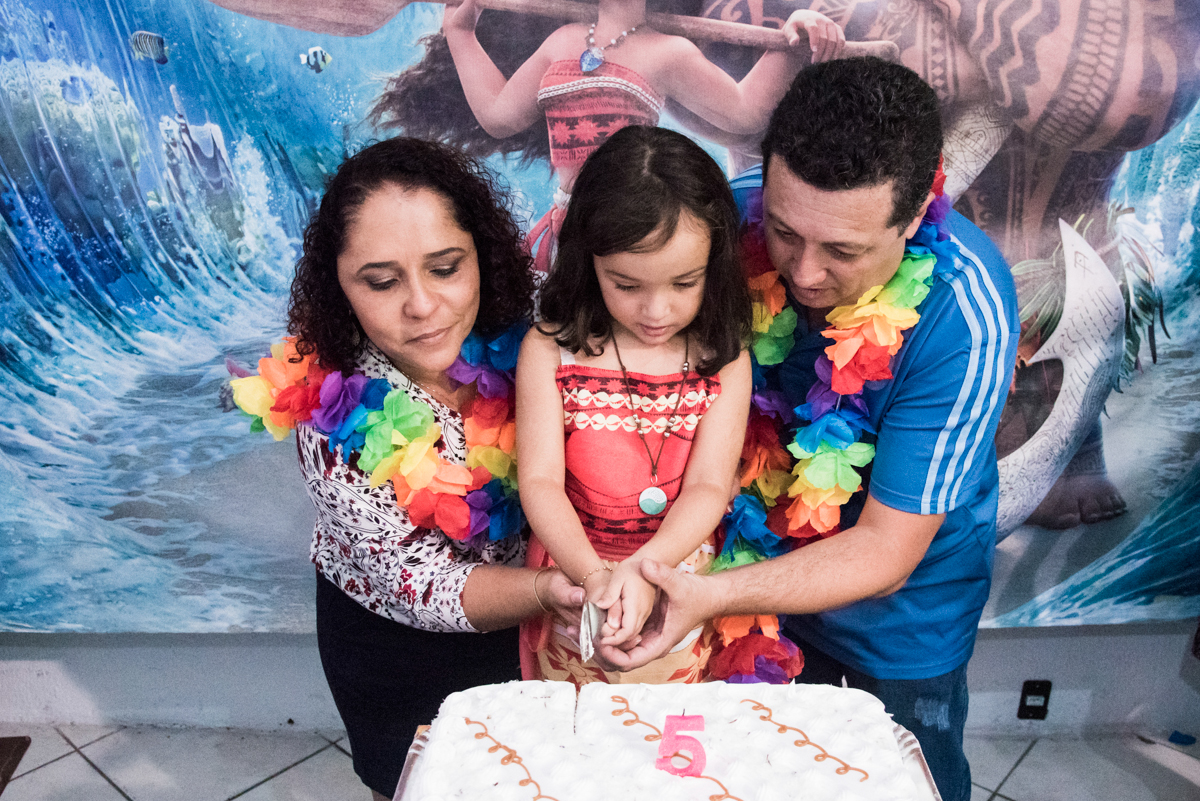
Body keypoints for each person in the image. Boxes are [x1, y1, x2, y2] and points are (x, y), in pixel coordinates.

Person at [598, 58, 1019, 801]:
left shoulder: (965, 311)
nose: (806, 272)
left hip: (901, 619)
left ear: (919, 212)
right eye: (787, 232)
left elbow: (887, 549)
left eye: (845, 251)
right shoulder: (725, 222)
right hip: (747, 583)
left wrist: (702, 597)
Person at [233, 137, 585, 801]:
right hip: (396, 648)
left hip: (545, 622)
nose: (422, 305)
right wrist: (553, 589)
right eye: (382, 281)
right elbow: (416, 582)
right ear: (339, 284)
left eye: (446, 267)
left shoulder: (547, 324)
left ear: (483, 254)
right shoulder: (329, 413)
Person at [515, 125, 752, 685]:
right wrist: (595, 577)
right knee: (573, 738)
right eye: (626, 285)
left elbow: (708, 488)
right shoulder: (550, 349)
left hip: (674, 573)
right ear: (587, 261)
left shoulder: (724, 359)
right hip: (574, 571)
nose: (656, 310)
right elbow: (541, 483)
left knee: (666, 734)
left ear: (714, 266)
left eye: (684, 283)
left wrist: (648, 573)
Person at [439, 0, 844, 269]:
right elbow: (498, 115)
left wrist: (793, 37)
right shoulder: (561, 41)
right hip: (562, 232)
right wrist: (460, 33)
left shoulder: (668, 53)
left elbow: (745, 112)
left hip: (630, 232)